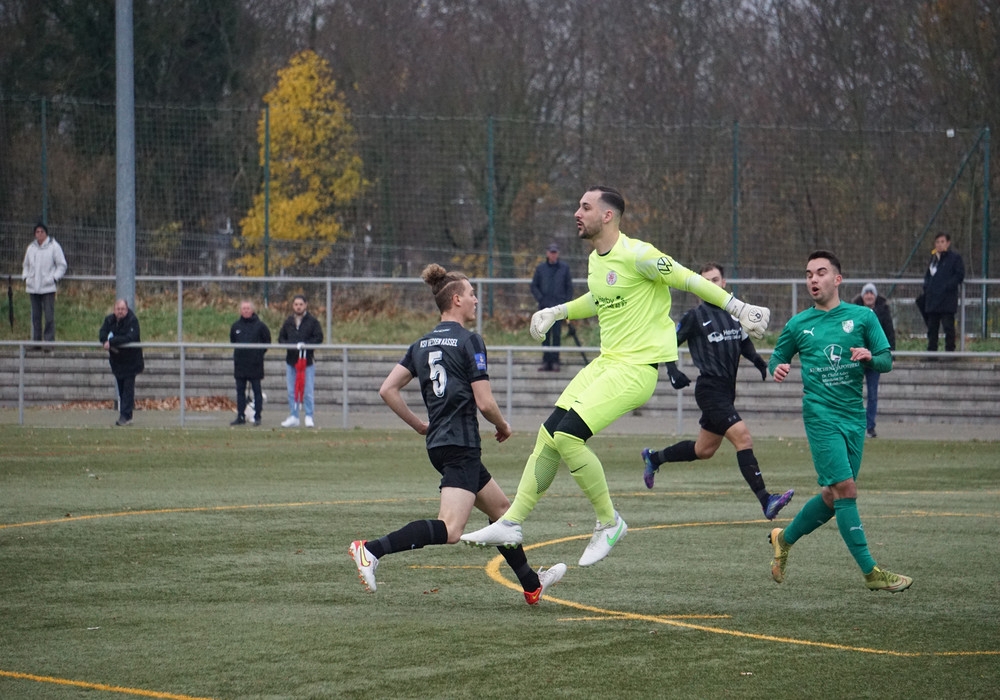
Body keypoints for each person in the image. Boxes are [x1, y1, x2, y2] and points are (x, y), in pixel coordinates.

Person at [461, 186, 771, 566]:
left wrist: (738, 307)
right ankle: (511, 522)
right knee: (549, 434)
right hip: (606, 364)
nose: (577, 213)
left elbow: (688, 279)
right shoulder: (596, 260)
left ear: (607, 216)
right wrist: (557, 311)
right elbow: (598, 297)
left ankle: (609, 522)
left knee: (568, 436)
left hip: (635, 370)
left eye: (585, 207)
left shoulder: (639, 254)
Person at [350, 264, 566, 604]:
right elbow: (485, 402)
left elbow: (387, 389)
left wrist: (420, 425)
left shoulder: (421, 343)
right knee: (451, 529)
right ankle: (371, 550)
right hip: (460, 444)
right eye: (471, 294)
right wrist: (503, 426)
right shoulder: (469, 340)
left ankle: (531, 583)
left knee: (502, 511)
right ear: (456, 300)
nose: (476, 300)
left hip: (441, 442)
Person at [767, 250, 912, 593]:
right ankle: (871, 572)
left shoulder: (862, 317)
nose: (813, 280)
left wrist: (870, 357)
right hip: (820, 416)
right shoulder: (798, 324)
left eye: (820, 273)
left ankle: (784, 539)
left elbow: (886, 360)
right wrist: (778, 366)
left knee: (833, 497)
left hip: (853, 417)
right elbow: (777, 355)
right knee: (846, 488)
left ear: (837, 279)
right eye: (808, 275)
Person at [641, 262, 794, 519]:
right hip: (709, 390)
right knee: (743, 438)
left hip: (726, 391)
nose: (711, 285)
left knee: (704, 450)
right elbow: (668, 342)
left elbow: (744, 343)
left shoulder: (734, 314)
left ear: (724, 283)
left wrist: (760, 363)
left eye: (715, 280)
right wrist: (672, 370)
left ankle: (654, 458)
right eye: (705, 282)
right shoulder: (694, 317)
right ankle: (766, 500)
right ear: (698, 289)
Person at [852, 283, 895, 438]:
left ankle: (870, 426)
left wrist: (890, 355)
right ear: (862, 296)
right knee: (853, 393)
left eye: (871, 293)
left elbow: (889, 333)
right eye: (866, 293)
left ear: (875, 296)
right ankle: (854, 425)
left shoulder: (883, 312)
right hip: (856, 359)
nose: (869, 296)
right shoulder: (854, 311)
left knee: (872, 394)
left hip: (874, 358)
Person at [277, 294, 323, 427]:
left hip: (306, 362)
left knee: (307, 390)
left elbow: (318, 338)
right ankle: (294, 415)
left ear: (305, 305)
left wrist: (306, 345)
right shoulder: (288, 322)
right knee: (292, 390)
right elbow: (281, 338)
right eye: (296, 304)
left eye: (301, 304)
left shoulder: (312, 322)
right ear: (293, 306)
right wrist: (290, 345)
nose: (298, 307)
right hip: (291, 361)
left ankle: (309, 415)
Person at [98, 299, 144, 427]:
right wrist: (105, 341)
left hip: (131, 362)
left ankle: (125, 416)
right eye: (118, 309)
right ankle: (126, 415)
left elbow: (130, 337)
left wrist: (112, 342)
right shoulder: (109, 320)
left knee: (128, 390)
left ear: (127, 309)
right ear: (114, 310)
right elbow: (102, 333)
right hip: (117, 362)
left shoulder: (132, 321)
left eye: (122, 309)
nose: (120, 312)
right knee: (122, 389)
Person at [22, 222, 68, 346]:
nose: (40, 234)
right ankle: (36, 343)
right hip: (33, 288)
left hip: (48, 288)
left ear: (46, 233)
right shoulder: (31, 248)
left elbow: (62, 265)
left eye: (42, 231)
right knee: (35, 317)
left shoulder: (54, 247)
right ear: (34, 234)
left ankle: (48, 343)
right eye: (37, 232)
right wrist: (26, 277)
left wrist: (54, 278)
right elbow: (26, 265)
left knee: (49, 317)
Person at [530, 242, 573, 371]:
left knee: (557, 334)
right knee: (544, 334)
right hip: (545, 307)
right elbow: (534, 286)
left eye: (555, 252)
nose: (553, 255)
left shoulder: (564, 268)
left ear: (557, 254)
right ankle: (546, 361)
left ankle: (555, 361)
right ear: (547, 253)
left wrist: (566, 303)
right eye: (551, 252)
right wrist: (541, 299)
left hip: (559, 308)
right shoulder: (541, 268)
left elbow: (569, 287)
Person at [230, 300, 271, 426]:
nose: (246, 310)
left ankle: (257, 416)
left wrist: (258, 354)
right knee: (240, 392)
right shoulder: (236, 326)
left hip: (255, 364)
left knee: (257, 391)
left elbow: (267, 342)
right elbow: (233, 341)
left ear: (252, 310)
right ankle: (240, 416)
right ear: (240, 310)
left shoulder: (260, 326)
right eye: (244, 308)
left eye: (248, 308)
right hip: (240, 364)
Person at [921, 233, 965, 353]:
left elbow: (959, 275)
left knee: (948, 328)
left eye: (942, 241)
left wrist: (947, 286)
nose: (939, 244)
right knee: (932, 329)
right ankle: (932, 353)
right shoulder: (933, 259)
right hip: (932, 300)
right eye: (937, 242)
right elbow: (928, 276)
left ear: (948, 243)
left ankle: (950, 353)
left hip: (947, 300)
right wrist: (927, 287)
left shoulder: (954, 258)